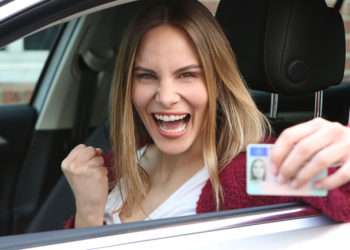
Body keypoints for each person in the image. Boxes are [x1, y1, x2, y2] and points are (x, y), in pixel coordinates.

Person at [62, 0, 350, 228]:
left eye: (187, 75)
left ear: (217, 83)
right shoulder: (115, 166)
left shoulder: (251, 170)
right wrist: (88, 214)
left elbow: (342, 191)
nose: (165, 97)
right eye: (147, 76)